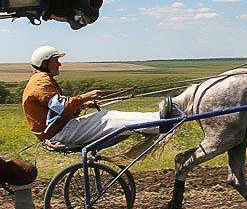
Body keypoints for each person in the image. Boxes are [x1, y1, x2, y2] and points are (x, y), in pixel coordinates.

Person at [22, 46, 175, 149]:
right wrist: (85, 96)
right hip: (60, 132)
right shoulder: (41, 81)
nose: (59, 64)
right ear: (45, 63)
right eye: (56, 61)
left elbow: (54, 111)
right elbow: (60, 106)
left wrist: (83, 105)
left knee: (109, 117)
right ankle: (159, 123)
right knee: (109, 118)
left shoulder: (40, 79)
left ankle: (157, 119)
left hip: (59, 129)